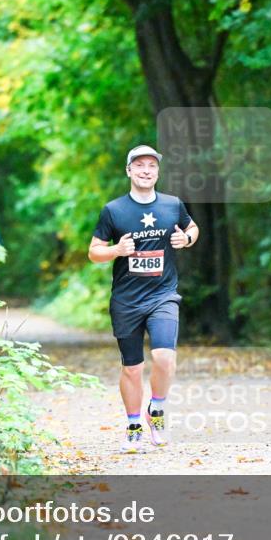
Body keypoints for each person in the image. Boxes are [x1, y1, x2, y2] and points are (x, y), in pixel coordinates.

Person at [89, 145, 199, 453]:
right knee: (132, 369)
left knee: (165, 356)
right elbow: (93, 250)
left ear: (158, 172)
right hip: (126, 300)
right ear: (129, 171)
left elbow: (193, 228)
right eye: (139, 165)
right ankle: (134, 424)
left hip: (163, 294)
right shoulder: (114, 210)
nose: (146, 170)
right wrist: (115, 251)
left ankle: (158, 410)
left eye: (152, 165)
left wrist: (186, 239)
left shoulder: (172, 204)